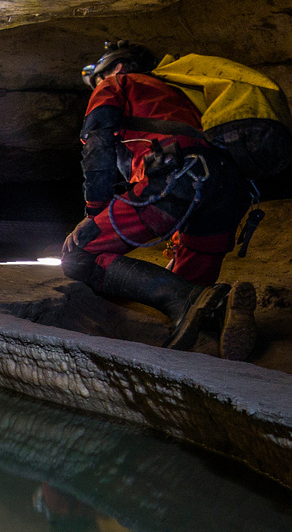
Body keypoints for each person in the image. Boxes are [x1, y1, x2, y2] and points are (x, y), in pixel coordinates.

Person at [61, 41, 256, 354]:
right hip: (227, 189)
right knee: (183, 280)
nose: (96, 86)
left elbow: (97, 146)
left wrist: (93, 212)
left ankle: (191, 300)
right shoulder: (181, 96)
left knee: (79, 254)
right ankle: (220, 311)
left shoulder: (117, 84)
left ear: (118, 67)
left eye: (98, 78)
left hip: (176, 177)